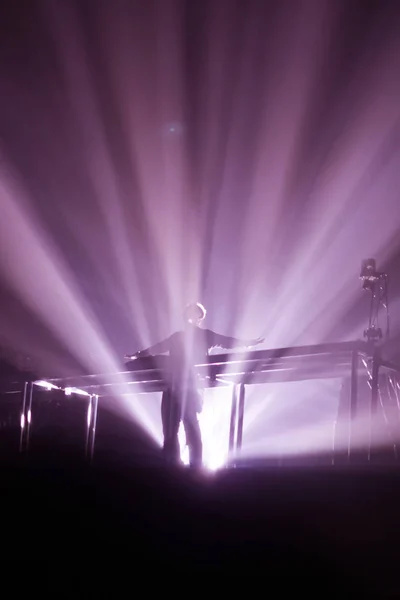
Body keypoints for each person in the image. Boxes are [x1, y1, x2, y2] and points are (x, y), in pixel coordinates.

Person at [125, 302, 264, 469]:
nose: (190, 318)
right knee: (171, 429)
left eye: (194, 314)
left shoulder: (205, 335)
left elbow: (228, 341)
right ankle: (172, 464)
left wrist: (247, 343)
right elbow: (158, 347)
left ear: (200, 318)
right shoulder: (177, 337)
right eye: (189, 314)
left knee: (189, 426)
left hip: (190, 388)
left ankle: (193, 466)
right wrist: (139, 355)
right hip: (173, 387)